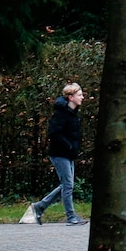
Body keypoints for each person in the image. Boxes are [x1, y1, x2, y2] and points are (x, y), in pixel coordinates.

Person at [31, 83, 86, 226]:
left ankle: (40, 206)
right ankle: (71, 216)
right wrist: (68, 145)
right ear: (71, 97)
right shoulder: (61, 113)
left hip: (68, 153)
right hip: (59, 153)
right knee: (68, 185)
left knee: (67, 185)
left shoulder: (73, 112)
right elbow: (53, 133)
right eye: (79, 95)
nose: (82, 97)